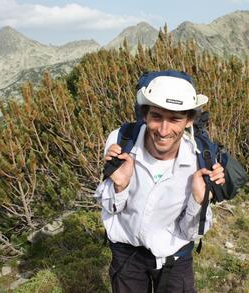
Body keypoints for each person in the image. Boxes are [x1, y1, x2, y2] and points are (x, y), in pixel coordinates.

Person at [94, 71, 225, 293]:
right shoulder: (121, 141)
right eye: (157, 117)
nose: (164, 131)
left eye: (175, 119)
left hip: (174, 259)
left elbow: (191, 234)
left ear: (189, 121)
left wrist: (198, 200)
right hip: (127, 255)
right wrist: (120, 185)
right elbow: (109, 208)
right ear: (144, 115)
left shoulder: (199, 161)